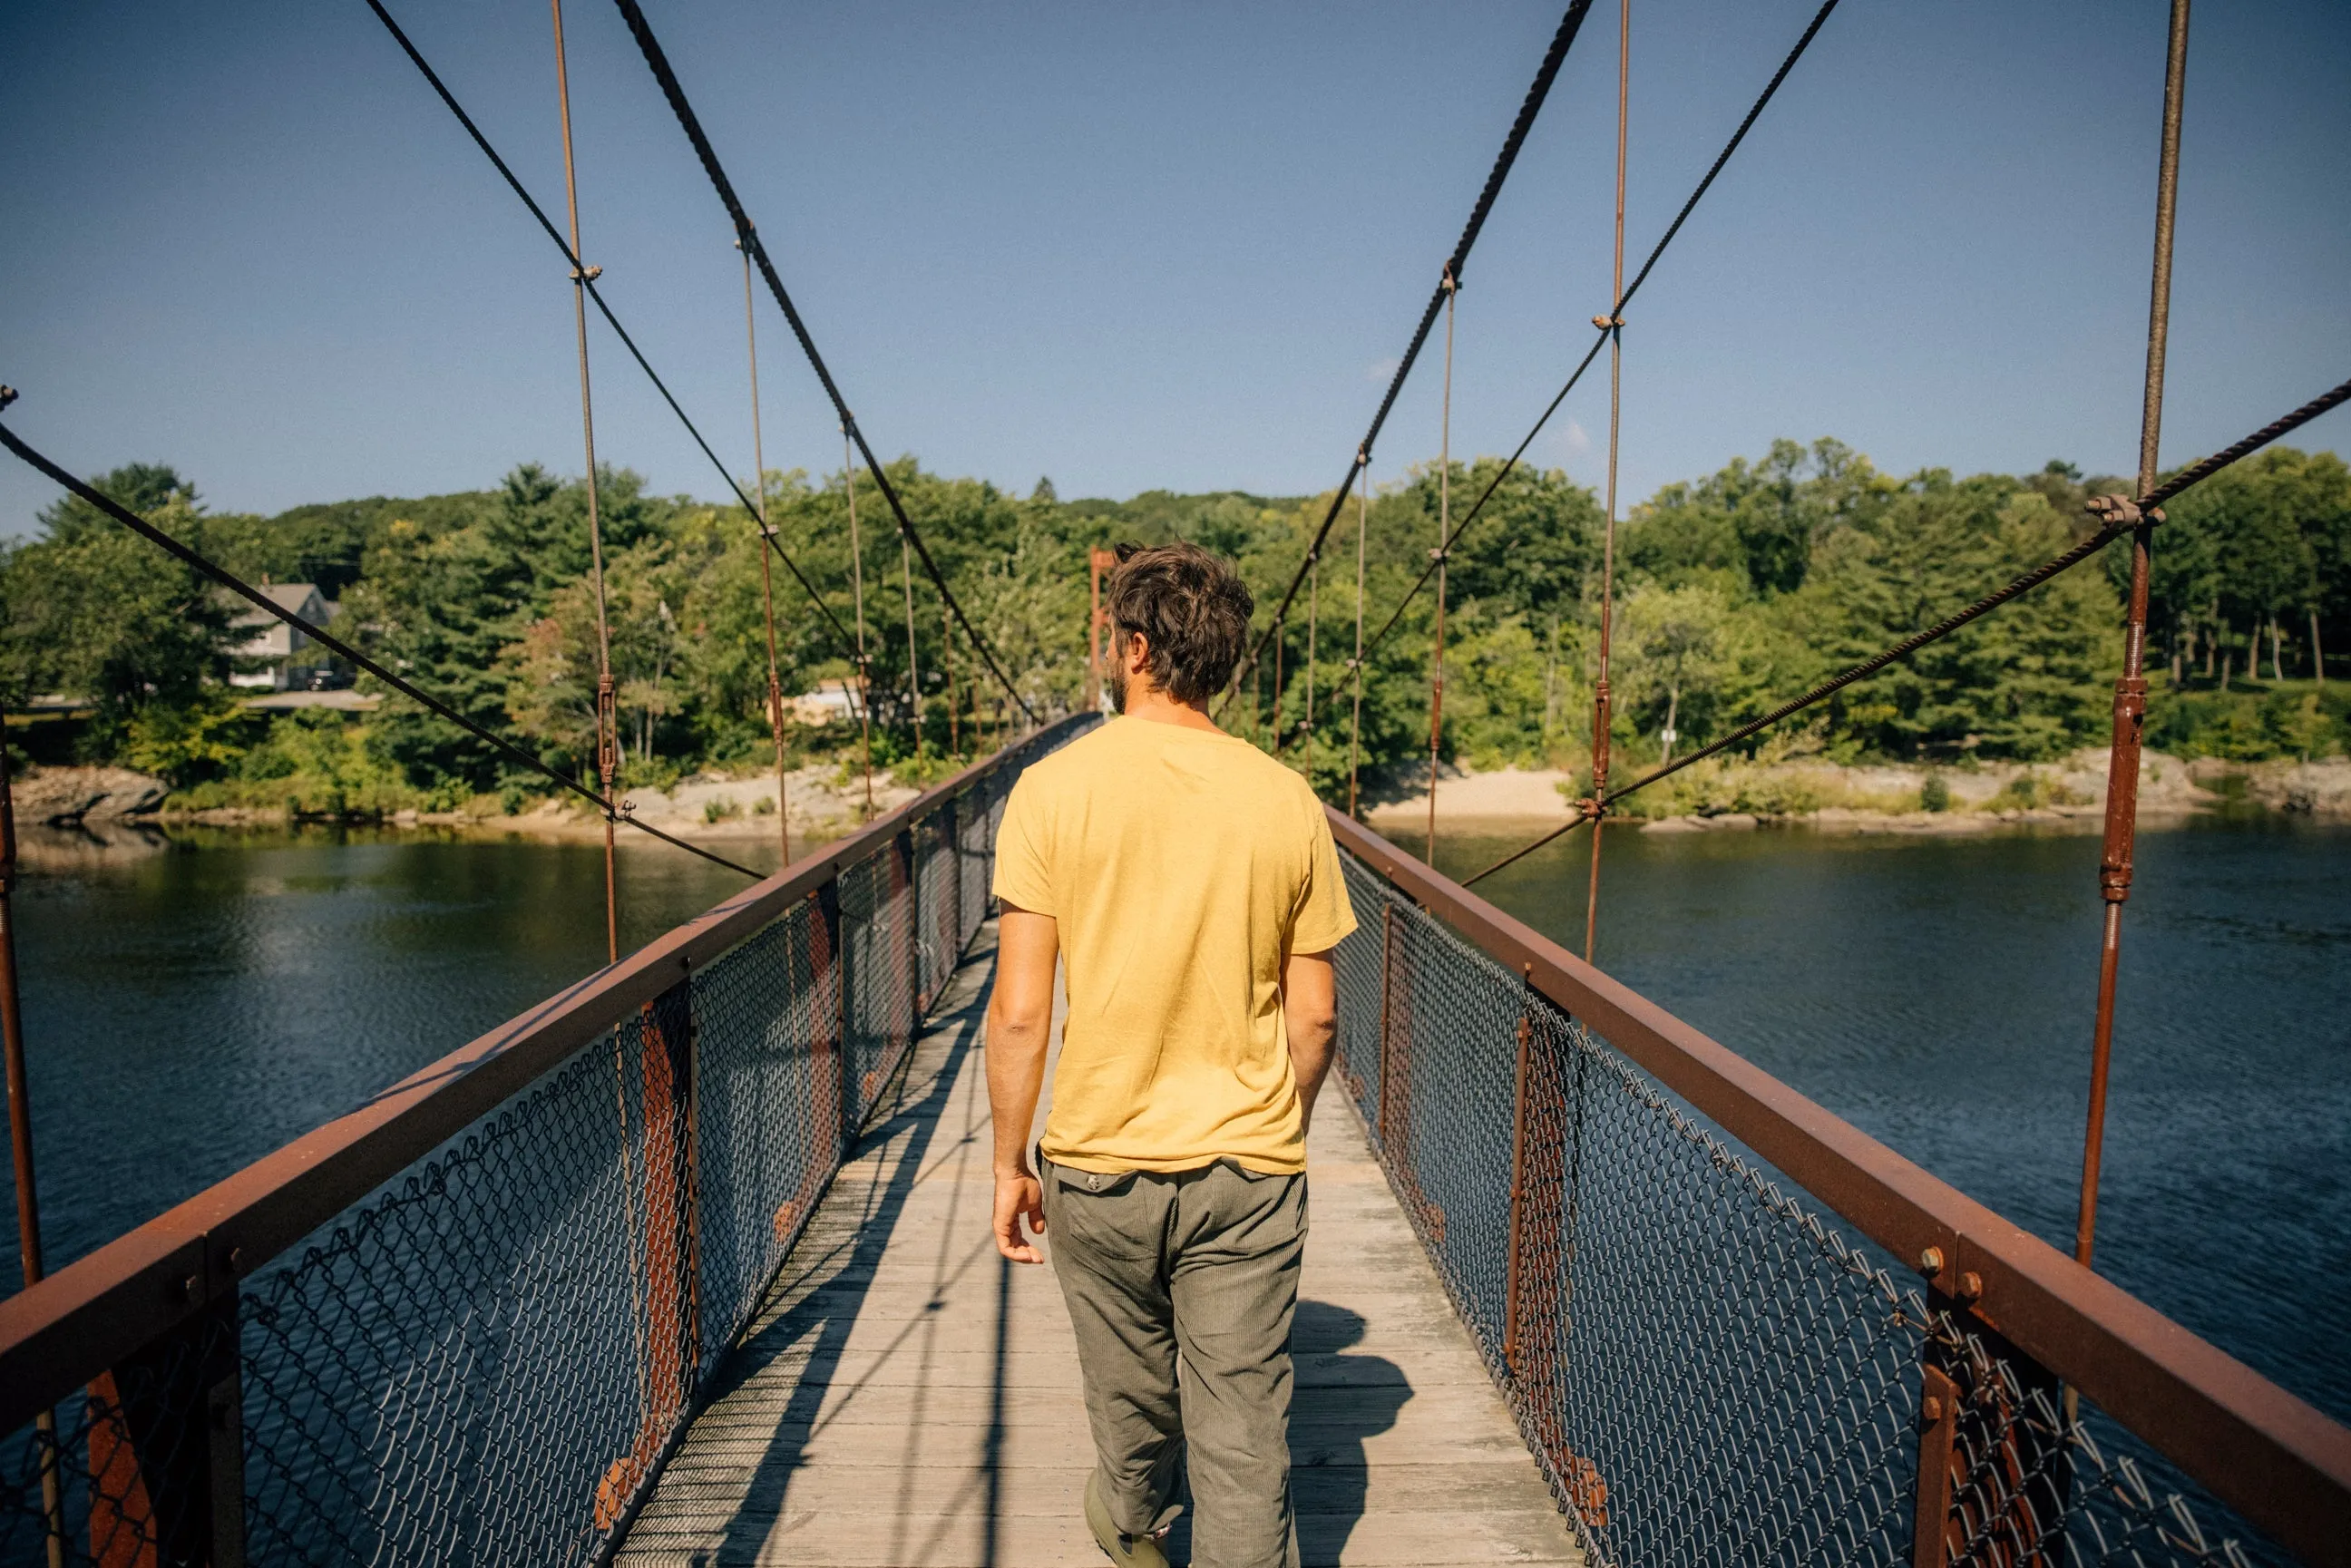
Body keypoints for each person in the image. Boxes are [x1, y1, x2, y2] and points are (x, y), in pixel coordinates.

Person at [984, 541, 1355, 1568]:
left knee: (1129, 1384)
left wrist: (1011, 1163)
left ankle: (1133, 1521)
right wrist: (1278, 1122)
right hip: (1247, 1164)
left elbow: (1020, 1013)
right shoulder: (1287, 798)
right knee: (1242, 1430)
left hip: (1098, 1162)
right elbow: (1315, 1016)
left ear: (1135, 647)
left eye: (1112, 635)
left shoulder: (1052, 792)